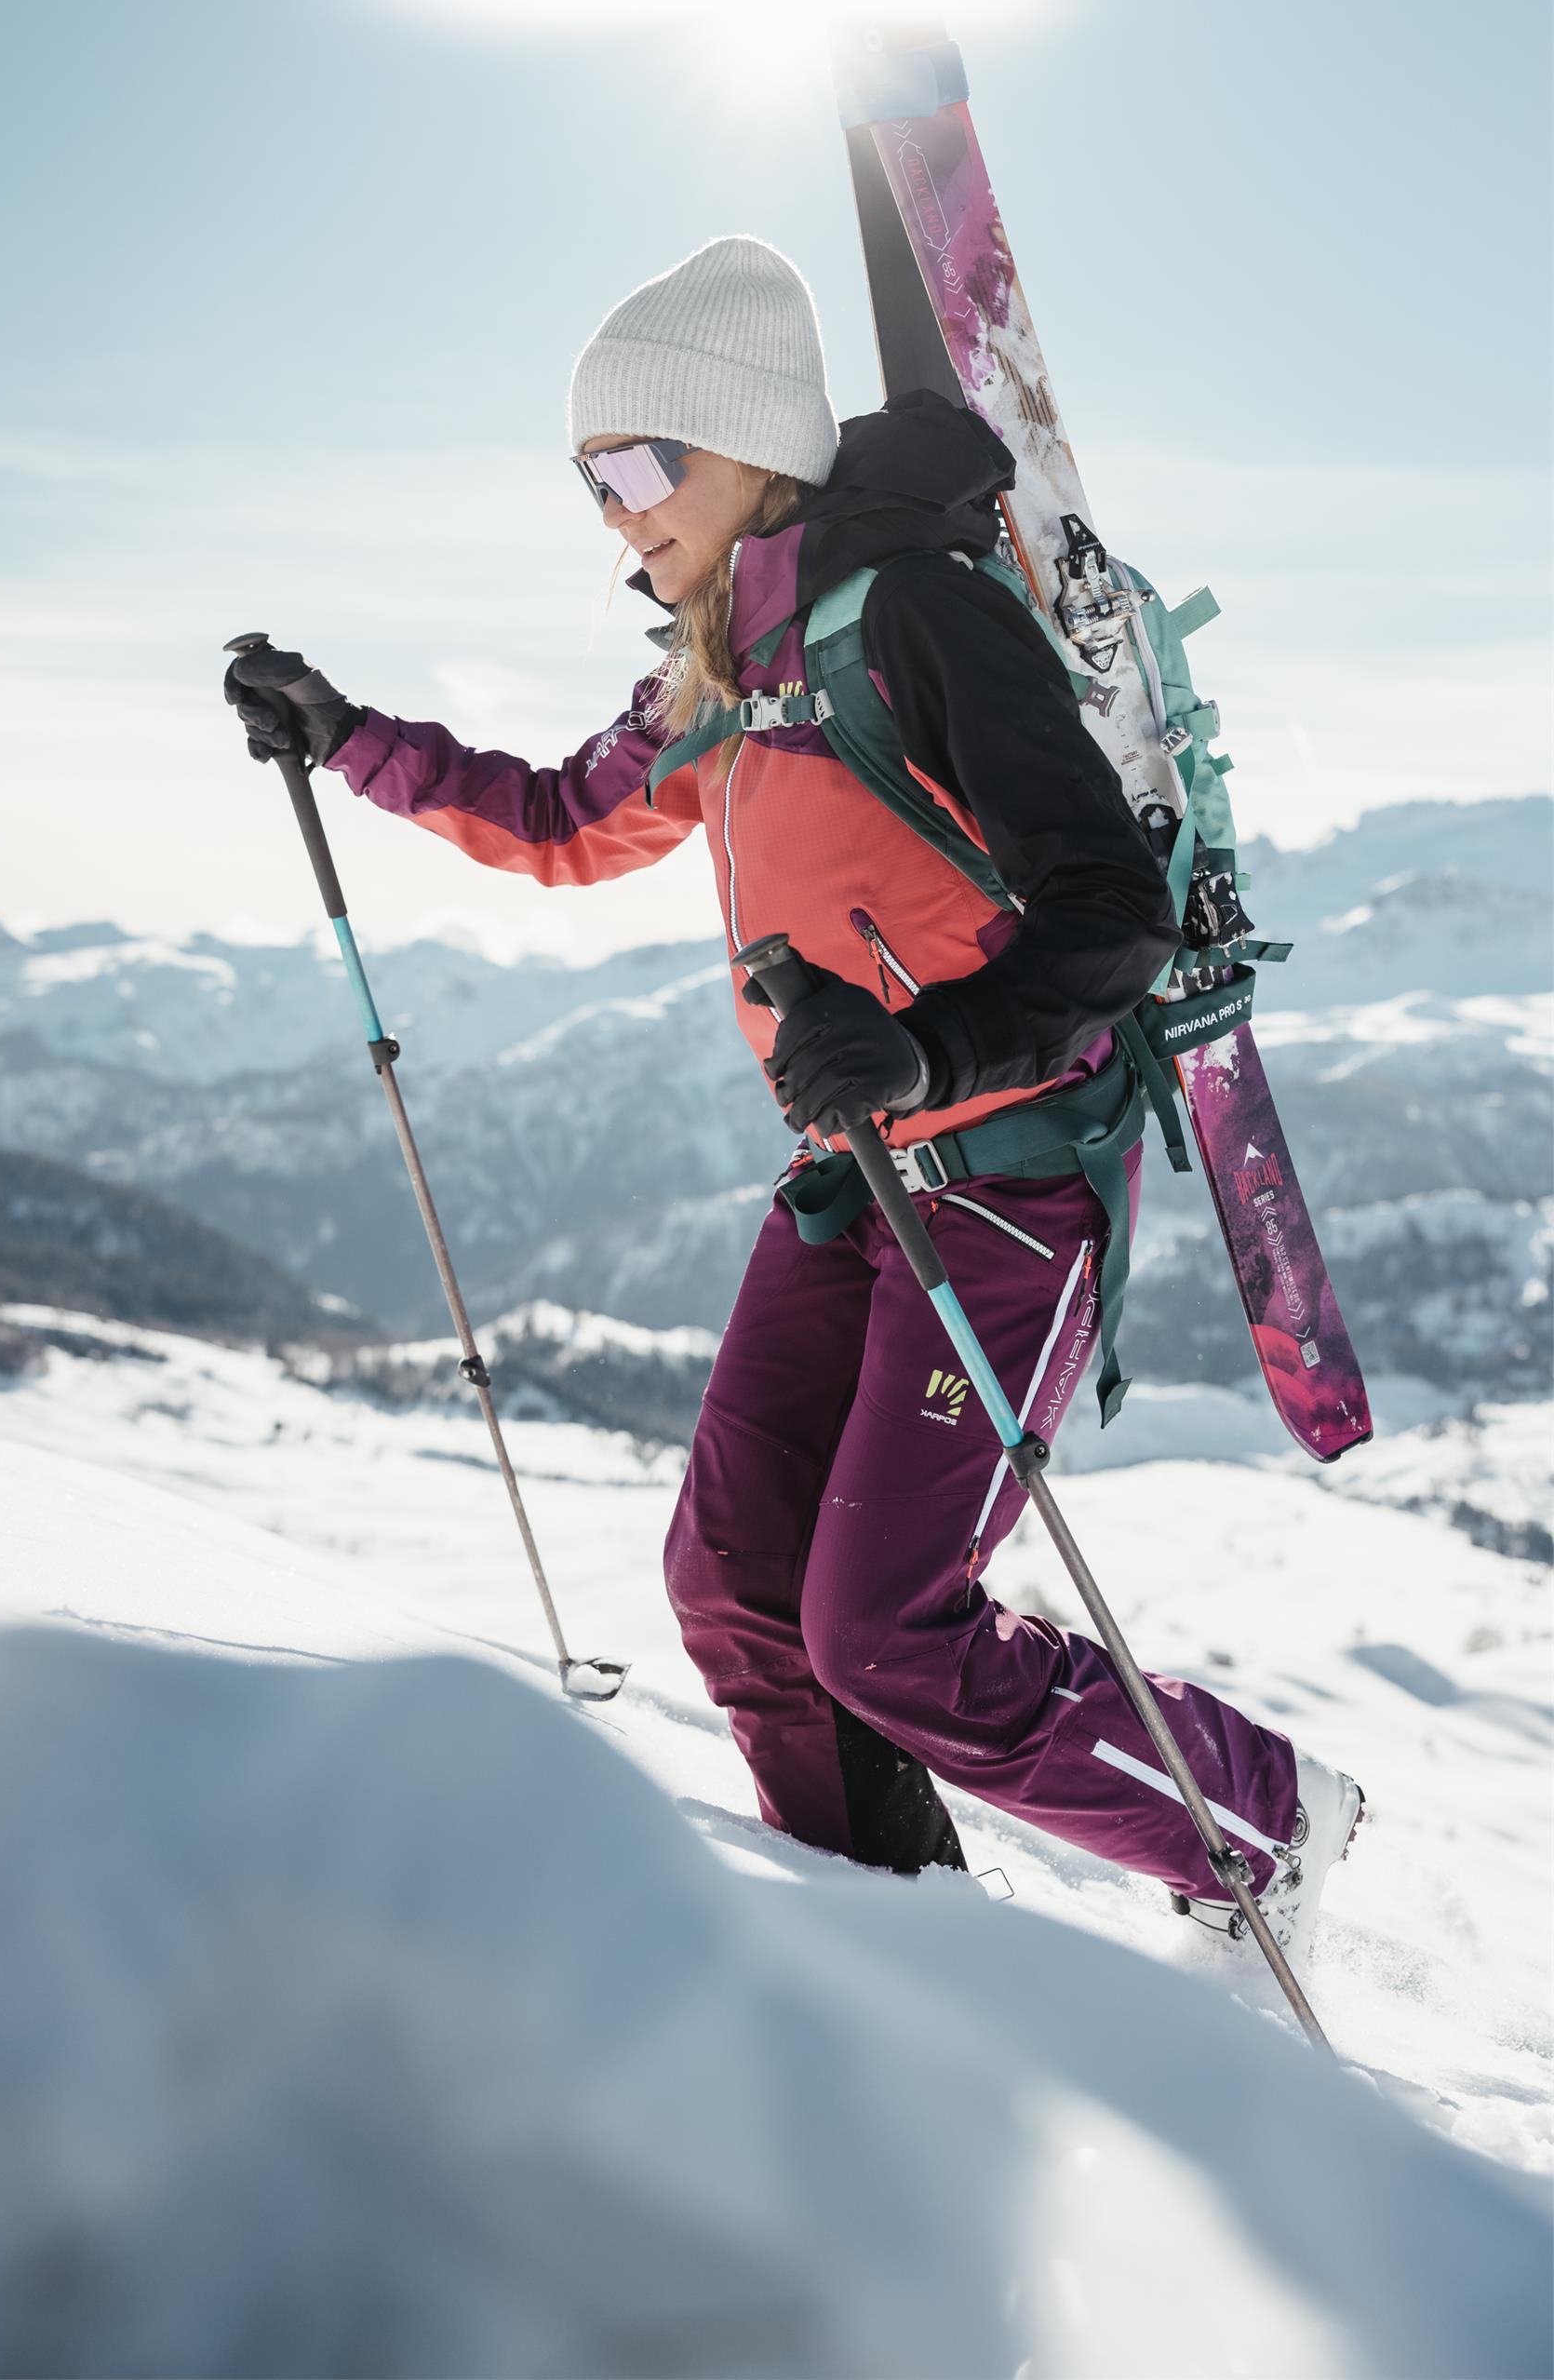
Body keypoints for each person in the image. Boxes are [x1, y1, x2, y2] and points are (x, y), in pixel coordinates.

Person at [226, 235, 1361, 1955]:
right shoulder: (712, 663)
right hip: (857, 1176)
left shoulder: (917, 611)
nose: (612, 509)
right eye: (585, 478)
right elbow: (556, 820)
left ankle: (1262, 1820)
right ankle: (882, 1957)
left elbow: (1107, 919)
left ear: (748, 437)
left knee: (892, 1634)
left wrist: (927, 1047)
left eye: (635, 464)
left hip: (1007, 1177)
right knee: (735, 1596)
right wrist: (345, 734)